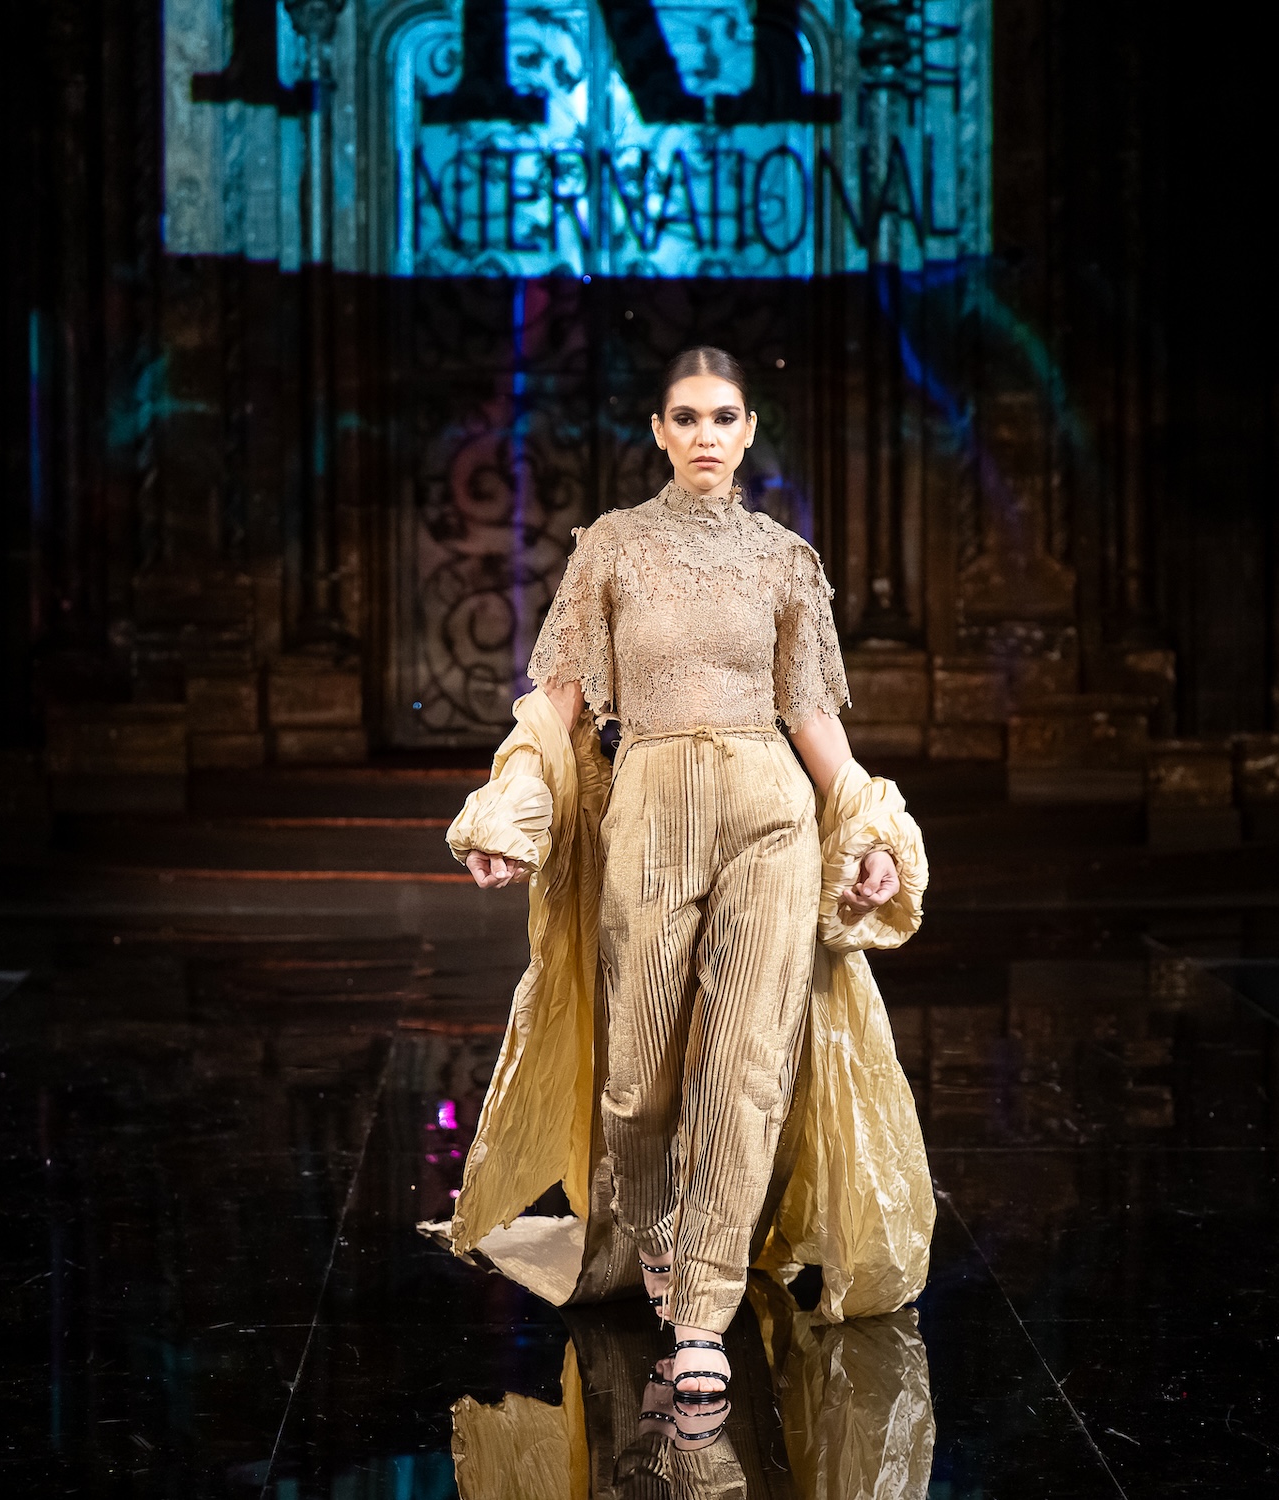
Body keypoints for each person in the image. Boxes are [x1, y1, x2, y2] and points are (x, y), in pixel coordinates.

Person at [447, 347, 927, 1431]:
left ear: (749, 430)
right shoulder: (612, 548)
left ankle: (704, 1310)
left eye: (724, 416)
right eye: (686, 416)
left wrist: (868, 830)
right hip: (651, 804)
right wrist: (514, 819)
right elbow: (557, 706)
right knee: (638, 1075)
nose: (706, 434)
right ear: (660, 431)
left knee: (747, 1063)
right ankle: (659, 1235)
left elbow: (814, 719)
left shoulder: (785, 561)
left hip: (768, 811)